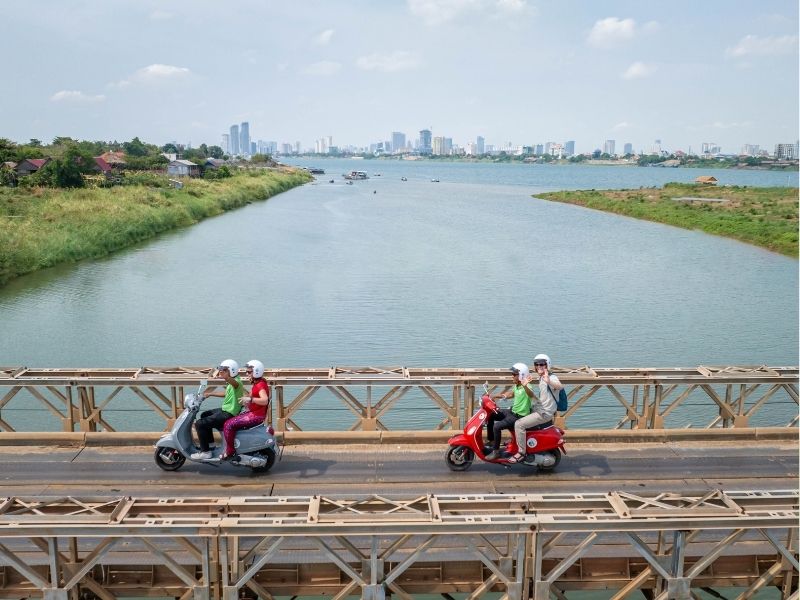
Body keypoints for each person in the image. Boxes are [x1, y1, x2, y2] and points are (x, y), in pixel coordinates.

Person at [510, 353, 562, 463]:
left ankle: (521, 452)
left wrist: (549, 381)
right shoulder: (541, 377)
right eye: (537, 364)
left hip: (544, 413)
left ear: (547, 364)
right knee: (514, 414)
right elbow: (537, 397)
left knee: (519, 424)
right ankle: (516, 442)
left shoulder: (551, 377)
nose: (539, 366)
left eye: (542, 364)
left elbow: (560, 386)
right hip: (539, 409)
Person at [190, 359, 243, 460]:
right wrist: (210, 394)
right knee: (204, 415)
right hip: (226, 410)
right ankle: (210, 444)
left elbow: (233, 383)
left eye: (224, 370)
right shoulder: (233, 382)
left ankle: (205, 452)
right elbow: (227, 394)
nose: (222, 372)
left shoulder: (237, 382)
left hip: (229, 413)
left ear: (231, 371)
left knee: (199, 424)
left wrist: (225, 376)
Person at [220, 359, 271, 460]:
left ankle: (230, 451)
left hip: (256, 416)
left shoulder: (260, 385)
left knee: (228, 424)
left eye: (249, 372)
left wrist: (250, 399)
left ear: (256, 371)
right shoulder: (258, 382)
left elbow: (265, 400)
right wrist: (247, 401)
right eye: (246, 371)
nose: (247, 374)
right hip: (255, 413)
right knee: (232, 421)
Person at [485, 363, 533, 460]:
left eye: (514, 374)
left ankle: (496, 452)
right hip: (512, 411)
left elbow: (530, 394)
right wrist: (495, 396)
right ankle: (492, 441)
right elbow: (511, 394)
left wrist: (526, 385)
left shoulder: (527, 387)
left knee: (497, 427)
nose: (512, 376)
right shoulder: (517, 385)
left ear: (521, 375)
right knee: (491, 415)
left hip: (518, 416)